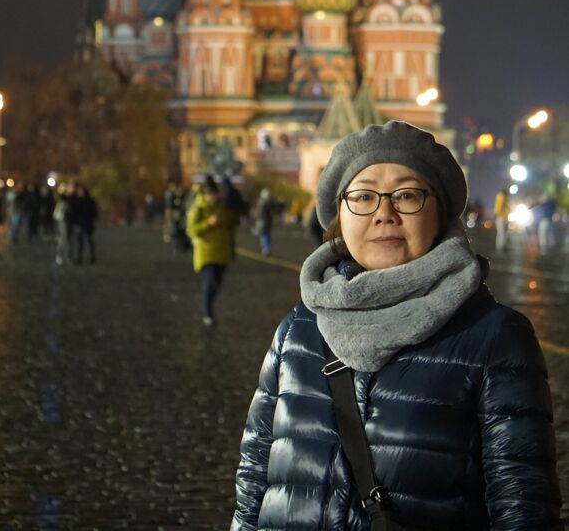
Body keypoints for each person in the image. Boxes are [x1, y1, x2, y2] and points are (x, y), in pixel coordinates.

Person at [231, 120, 562, 530]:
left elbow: (523, 506)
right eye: (364, 196)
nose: (384, 214)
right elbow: (255, 479)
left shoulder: (495, 337)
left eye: (406, 196)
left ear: (439, 211)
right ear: (338, 213)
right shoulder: (298, 330)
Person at [186, 175, 237, 327]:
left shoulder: (222, 208)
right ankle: (207, 313)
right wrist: (208, 223)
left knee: (217, 284)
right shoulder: (198, 208)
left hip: (221, 254)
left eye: (216, 194)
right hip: (206, 254)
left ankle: (208, 307)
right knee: (209, 283)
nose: (214, 197)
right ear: (206, 194)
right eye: (211, 194)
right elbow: (191, 229)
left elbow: (230, 226)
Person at [70, 184, 97, 264]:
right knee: (83, 241)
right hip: (83, 223)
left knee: (85, 241)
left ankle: (88, 257)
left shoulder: (84, 201)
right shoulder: (85, 201)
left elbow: (74, 212)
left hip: (84, 223)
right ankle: (84, 257)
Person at [253, 188, 275, 256]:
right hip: (266, 221)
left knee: (264, 235)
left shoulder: (262, 202)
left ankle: (265, 250)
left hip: (263, 221)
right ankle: (266, 249)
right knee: (266, 235)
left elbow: (260, 213)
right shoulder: (268, 202)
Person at [493, 187, 509, 253]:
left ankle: (501, 247)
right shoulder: (502, 197)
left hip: (501, 218)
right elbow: (498, 209)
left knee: (501, 233)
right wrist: (502, 215)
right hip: (501, 218)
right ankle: (501, 248)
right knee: (502, 233)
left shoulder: (500, 197)